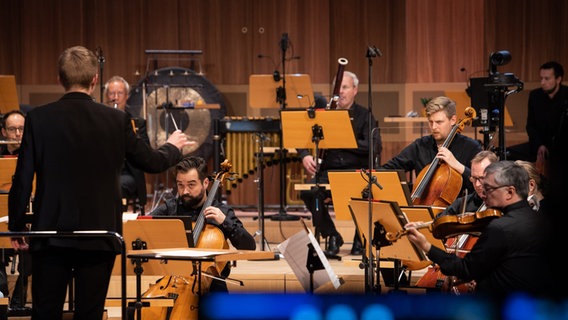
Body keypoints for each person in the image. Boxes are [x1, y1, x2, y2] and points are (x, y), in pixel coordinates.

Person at [8, 45, 191, 320]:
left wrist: (17, 223)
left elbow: (22, 178)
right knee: (90, 314)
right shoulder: (116, 120)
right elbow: (151, 162)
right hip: (99, 236)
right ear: (95, 80)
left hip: (50, 236)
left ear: (60, 79)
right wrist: (172, 146)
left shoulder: (38, 118)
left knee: (45, 313)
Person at [405, 161, 553, 300]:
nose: (483, 193)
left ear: (510, 192)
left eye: (489, 189)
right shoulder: (541, 220)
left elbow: (465, 269)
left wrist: (426, 246)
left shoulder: (500, 228)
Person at [297, 71, 381, 257]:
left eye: (345, 87)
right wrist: (304, 155)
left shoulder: (365, 116)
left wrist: (345, 140)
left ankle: (361, 239)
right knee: (309, 192)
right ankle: (332, 235)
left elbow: (375, 146)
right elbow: (300, 136)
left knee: (367, 193)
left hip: (356, 174)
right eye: (338, 88)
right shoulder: (325, 114)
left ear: (355, 90)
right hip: (329, 172)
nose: (341, 92)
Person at [149, 156, 256, 292]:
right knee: (134, 311)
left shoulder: (221, 211)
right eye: (180, 185)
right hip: (174, 283)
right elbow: (144, 226)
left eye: (191, 185)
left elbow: (249, 246)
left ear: (205, 183)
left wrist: (225, 222)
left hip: (210, 287)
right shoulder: (171, 208)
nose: (185, 191)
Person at [381, 96, 482, 201]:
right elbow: (390, 168)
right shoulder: (420, 146)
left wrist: (458, 166)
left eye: (439, 122)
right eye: (431, 122)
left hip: (459, 213)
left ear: (453, 120)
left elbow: (484, 183)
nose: (433, 127)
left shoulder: (471, 147)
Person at [104, 75, 150, 213]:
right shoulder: (100, 121)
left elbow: (146, 150)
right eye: (112, 93)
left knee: (117, 185)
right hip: (105, 170)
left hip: (128, 173)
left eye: (120, 93)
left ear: (127, 96)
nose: (115, 97)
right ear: (107, 96)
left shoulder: (137, 122)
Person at [526, 61, 568, 173]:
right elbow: (531, 125)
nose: (543, 82)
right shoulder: (535, 96)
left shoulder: (566, 95)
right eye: (541, 78)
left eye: (547, 78)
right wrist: (540, 145)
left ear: (558, 79)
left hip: (562, 148)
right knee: (509, 154)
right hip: (539, 145)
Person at [435, 150, 499, 219]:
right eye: (474, 178)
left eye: (482, 178)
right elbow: (439, 220)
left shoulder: (504, 202)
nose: (477, 184)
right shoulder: (464, 203)